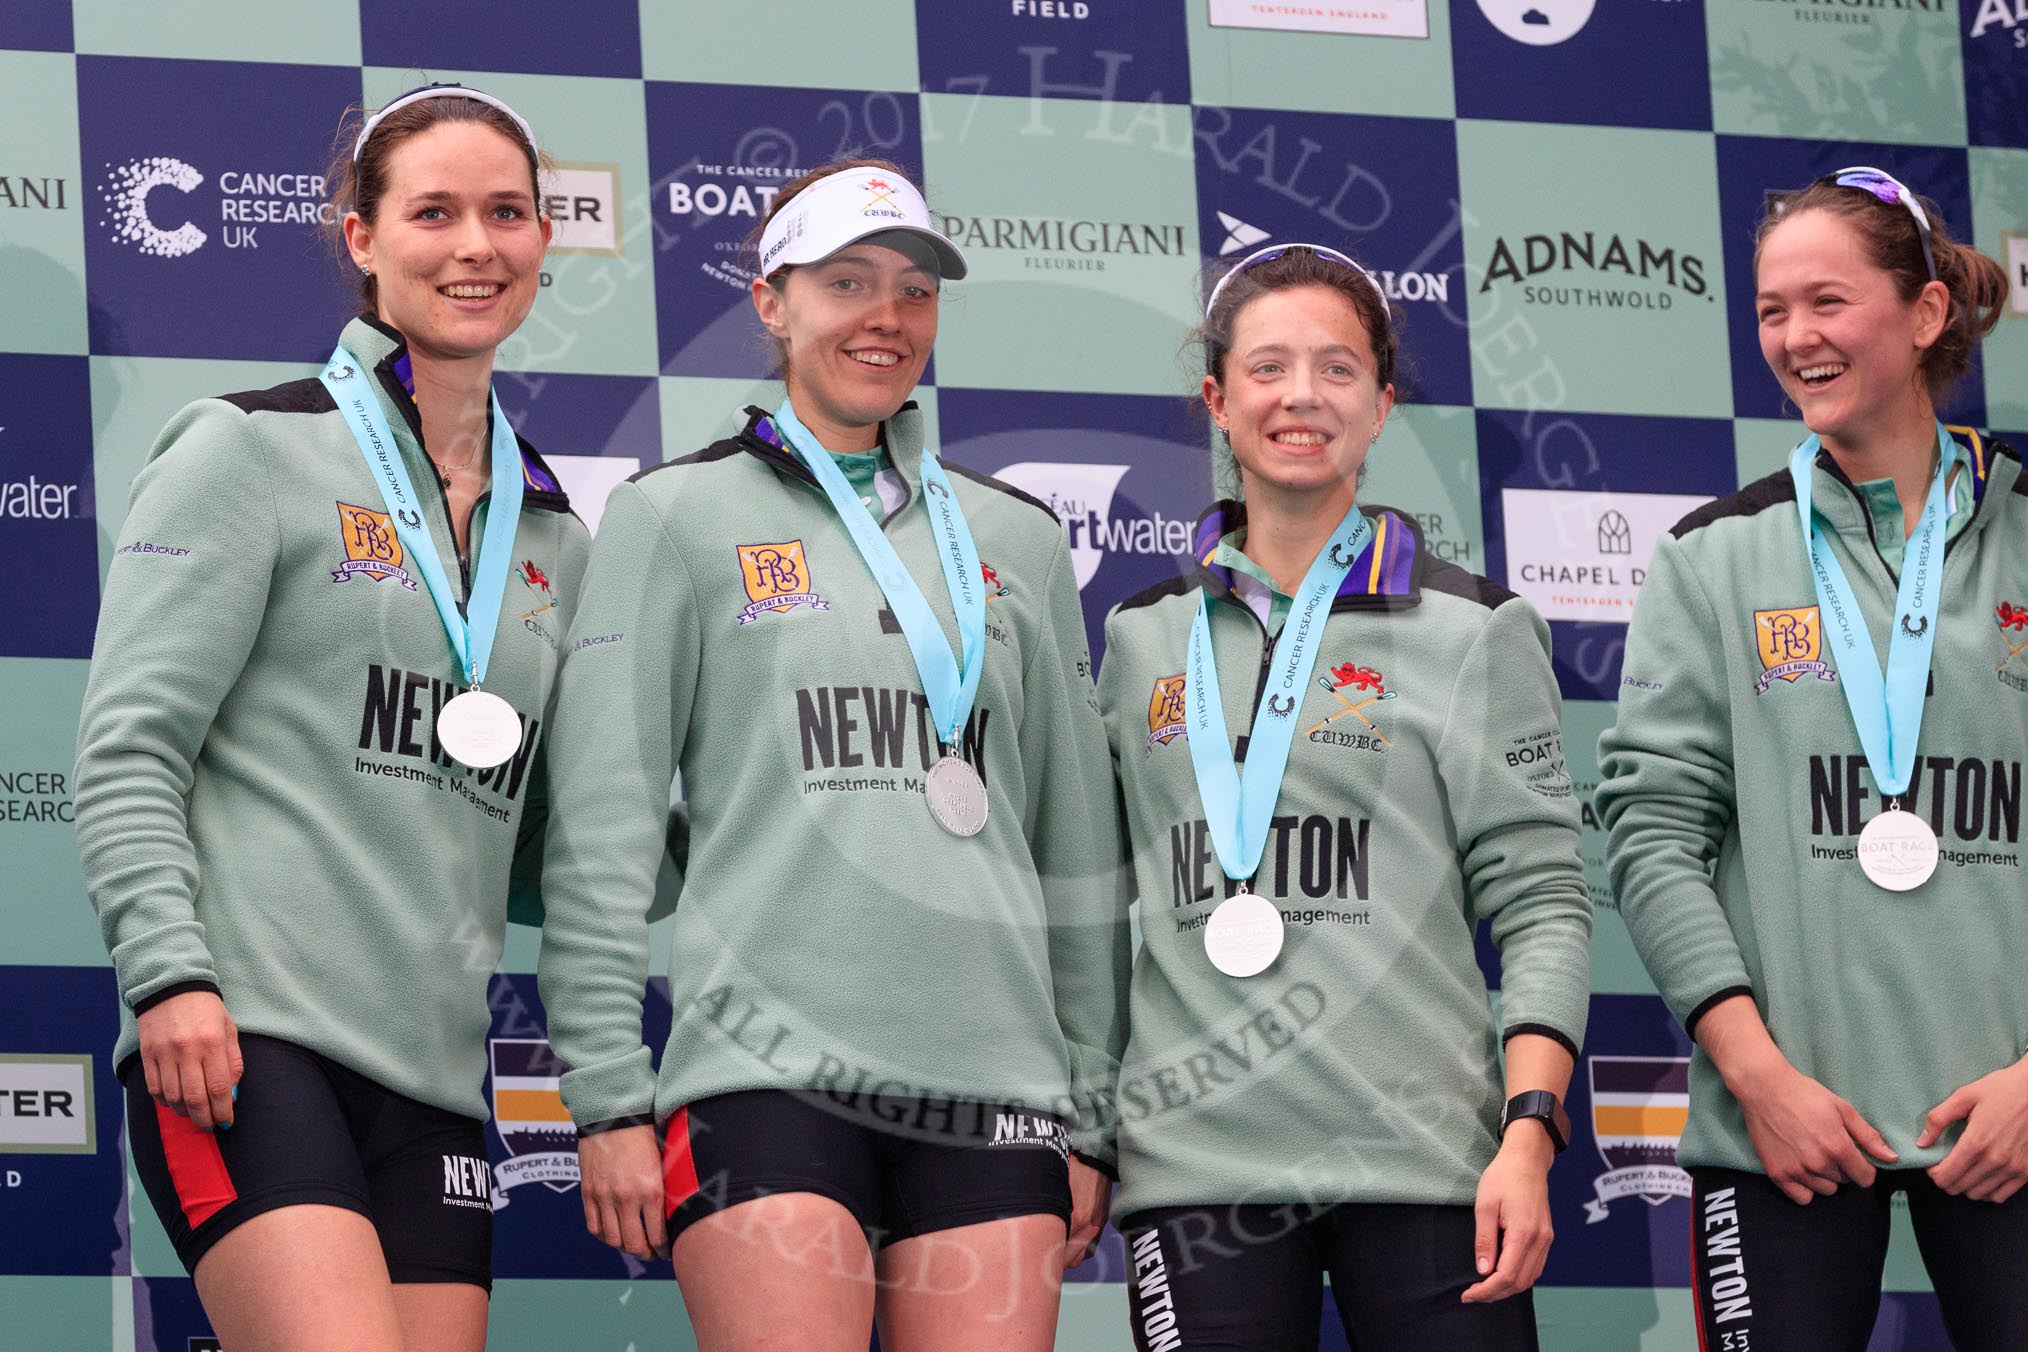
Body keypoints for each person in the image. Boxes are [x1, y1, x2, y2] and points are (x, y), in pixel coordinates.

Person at [534, 158, 1129, 1351]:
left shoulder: (1012, 535)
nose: (886, 316)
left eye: (914, 289)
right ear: (771, 301)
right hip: (765, 1077)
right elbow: (598, 829)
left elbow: (1075, 842)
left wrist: (1094, 1112)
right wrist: (604, 1091)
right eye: (848, 280)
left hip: (997, 1087)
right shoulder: (671, 517)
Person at [74, 84, 582, 1351]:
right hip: (247, 1041)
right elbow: (131, 744)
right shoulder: (250, 448)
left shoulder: (557, 533)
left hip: (433, 1079)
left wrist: (725, 819)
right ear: (361, 237)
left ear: (542, 244)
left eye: (507, 212)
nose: (477, 244)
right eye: (435, 211)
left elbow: (527, 844)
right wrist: (170, 973)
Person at [1095, 244, 1593, 1351]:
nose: (1302, 397)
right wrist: (1088, 1131)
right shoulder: (1139, 639)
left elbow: (1547, 904)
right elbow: (1088, 909)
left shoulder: (1475, 628)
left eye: (1336, 368)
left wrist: (1527, 1135)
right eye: (1268, 369)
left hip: (1430, 1163)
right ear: (1221, 402)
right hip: (1197, 1170)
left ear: (1381, 402)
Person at [1597, 167, 2023, 1349]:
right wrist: (1758, 1075)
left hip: (2019, 1117)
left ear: (1927, 313)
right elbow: (1652, 837)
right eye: (1772, 310)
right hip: (1786, 1129)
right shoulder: (1710, 558)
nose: (1795, 337)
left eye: (1827, 301)